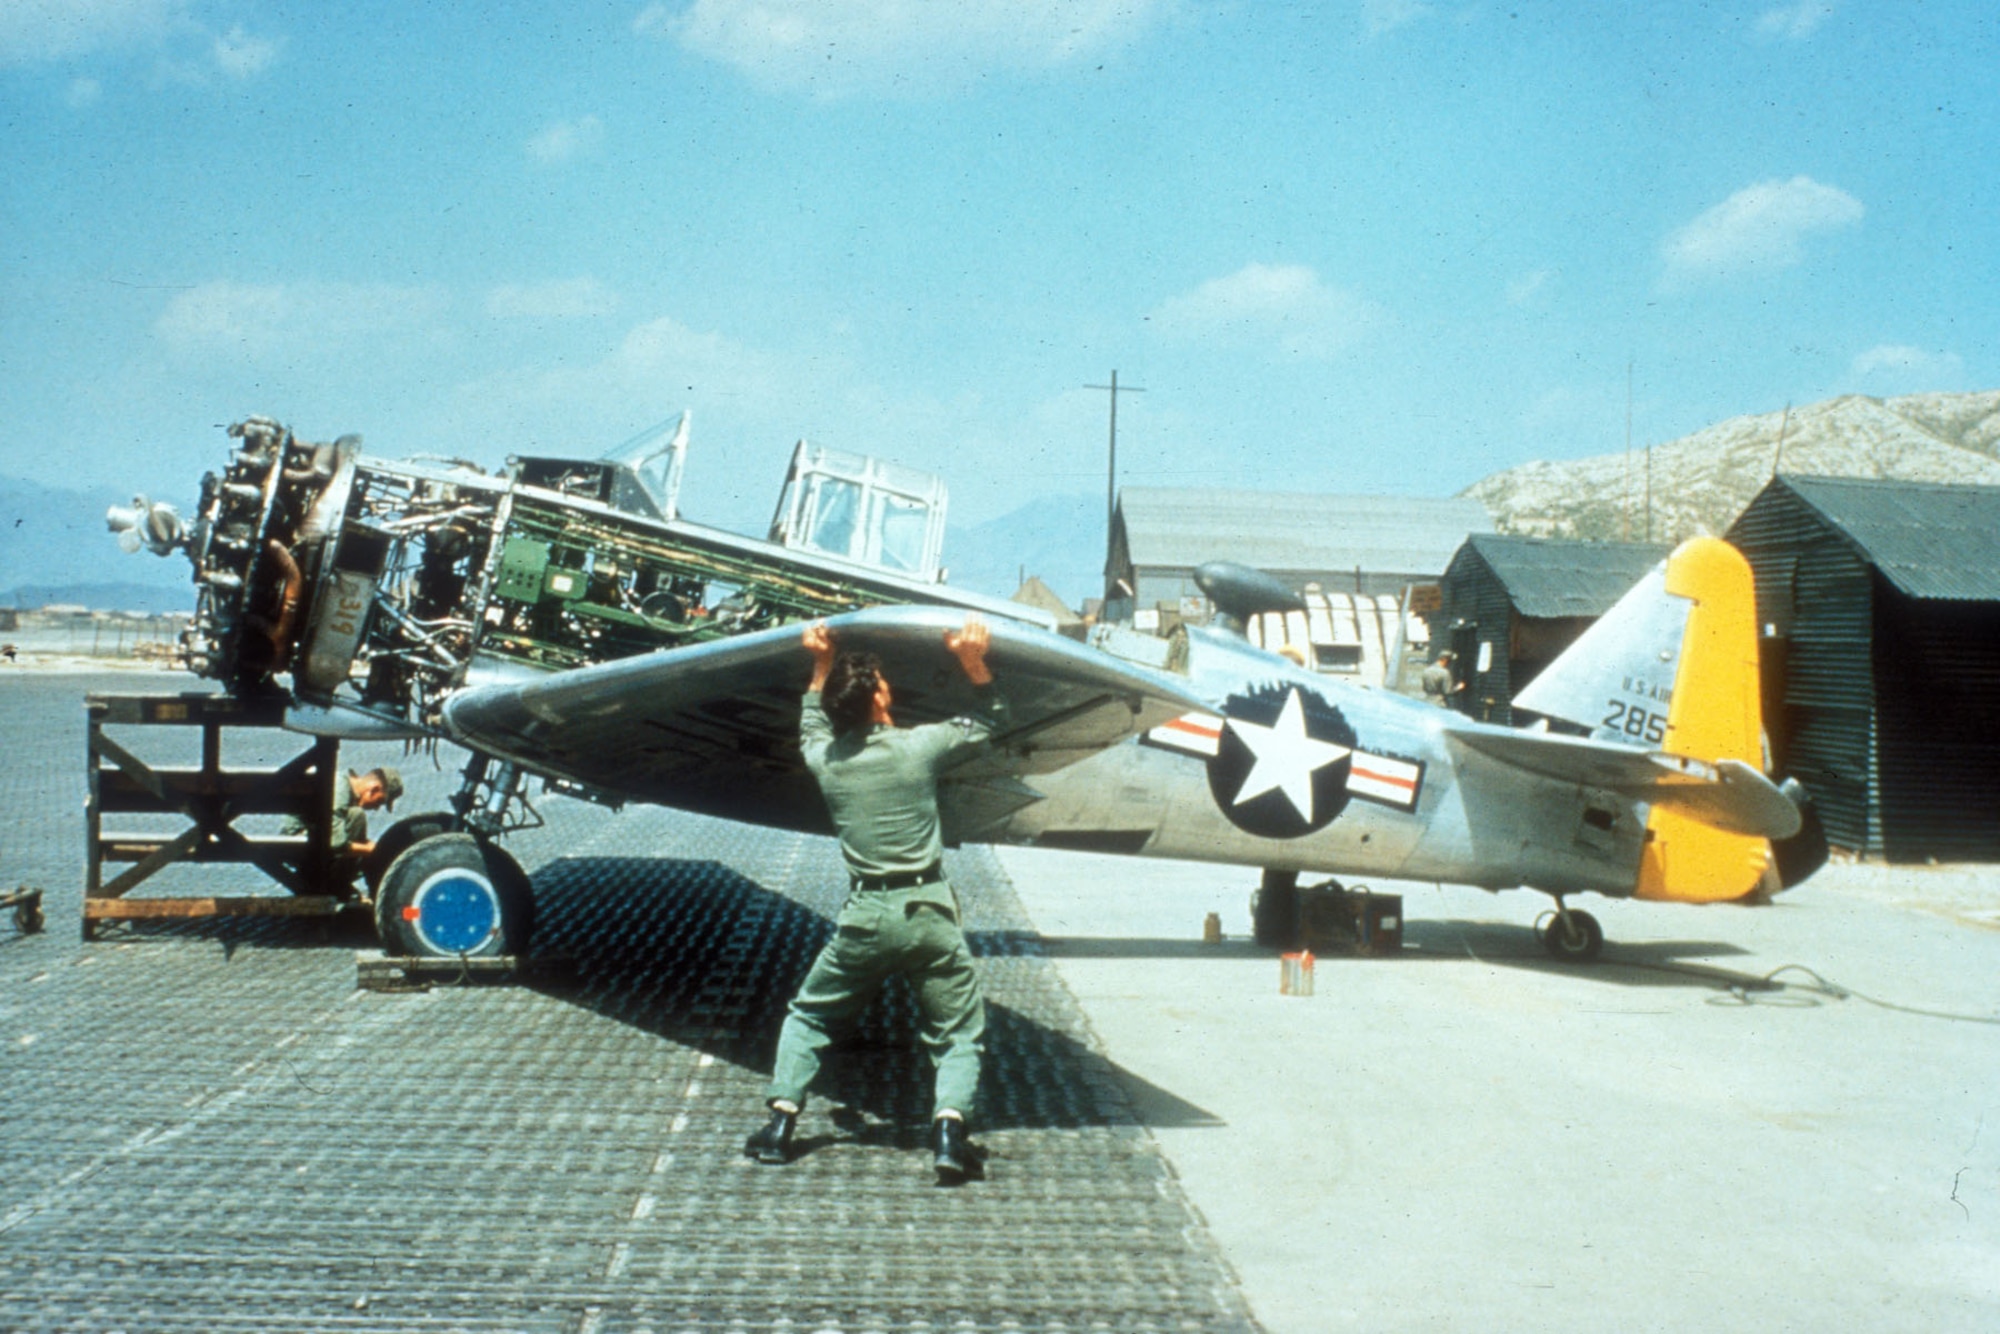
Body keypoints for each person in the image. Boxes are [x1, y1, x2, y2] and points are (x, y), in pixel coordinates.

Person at [746, 614, 1004, 1183]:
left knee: (810, 1014)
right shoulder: (921, 747)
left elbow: (810, 724)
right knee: (957, 1033)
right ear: (881, 700)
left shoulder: (827, 762)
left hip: (865, 916)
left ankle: (780, 1126)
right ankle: (948, 1135)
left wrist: (819, 660)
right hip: (930, 912)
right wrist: (970, 660)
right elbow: (991, 721)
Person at [283, 766, 403, 885]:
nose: (376, 808)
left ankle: (337, 884)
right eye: (379, 802)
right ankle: (336, 886)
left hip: (314, 839)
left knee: (357, 821)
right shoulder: (340, 790)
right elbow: (336, 842)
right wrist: (375, 851)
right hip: (297, 842)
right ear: (374, 790)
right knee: (357, 816)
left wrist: (375, 848)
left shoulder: (347, 787)